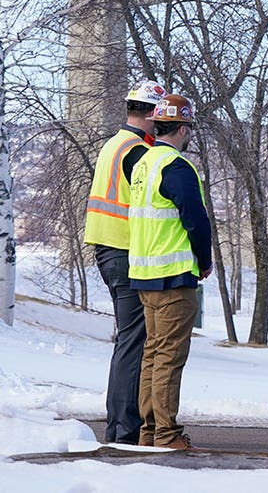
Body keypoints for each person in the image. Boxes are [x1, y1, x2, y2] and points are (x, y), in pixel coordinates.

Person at [84, 80, 168, 445]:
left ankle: (119, 423)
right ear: (151, 113)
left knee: (129, 340)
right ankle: (124, 428)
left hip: (109, 249)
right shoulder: (136, 151)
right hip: (124, 252)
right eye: (160, 114)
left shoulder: (115, 144)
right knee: (135, 342)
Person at [127, 94, 212, 450]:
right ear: (181, 128)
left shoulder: (143, 164)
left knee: (152, 353)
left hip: (145, 275)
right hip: (174, 277)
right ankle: (166, 433)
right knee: (169, 358)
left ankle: (148, 431)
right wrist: (204, 259)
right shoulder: (176, 167)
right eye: (188, 128)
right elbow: (195, 219)